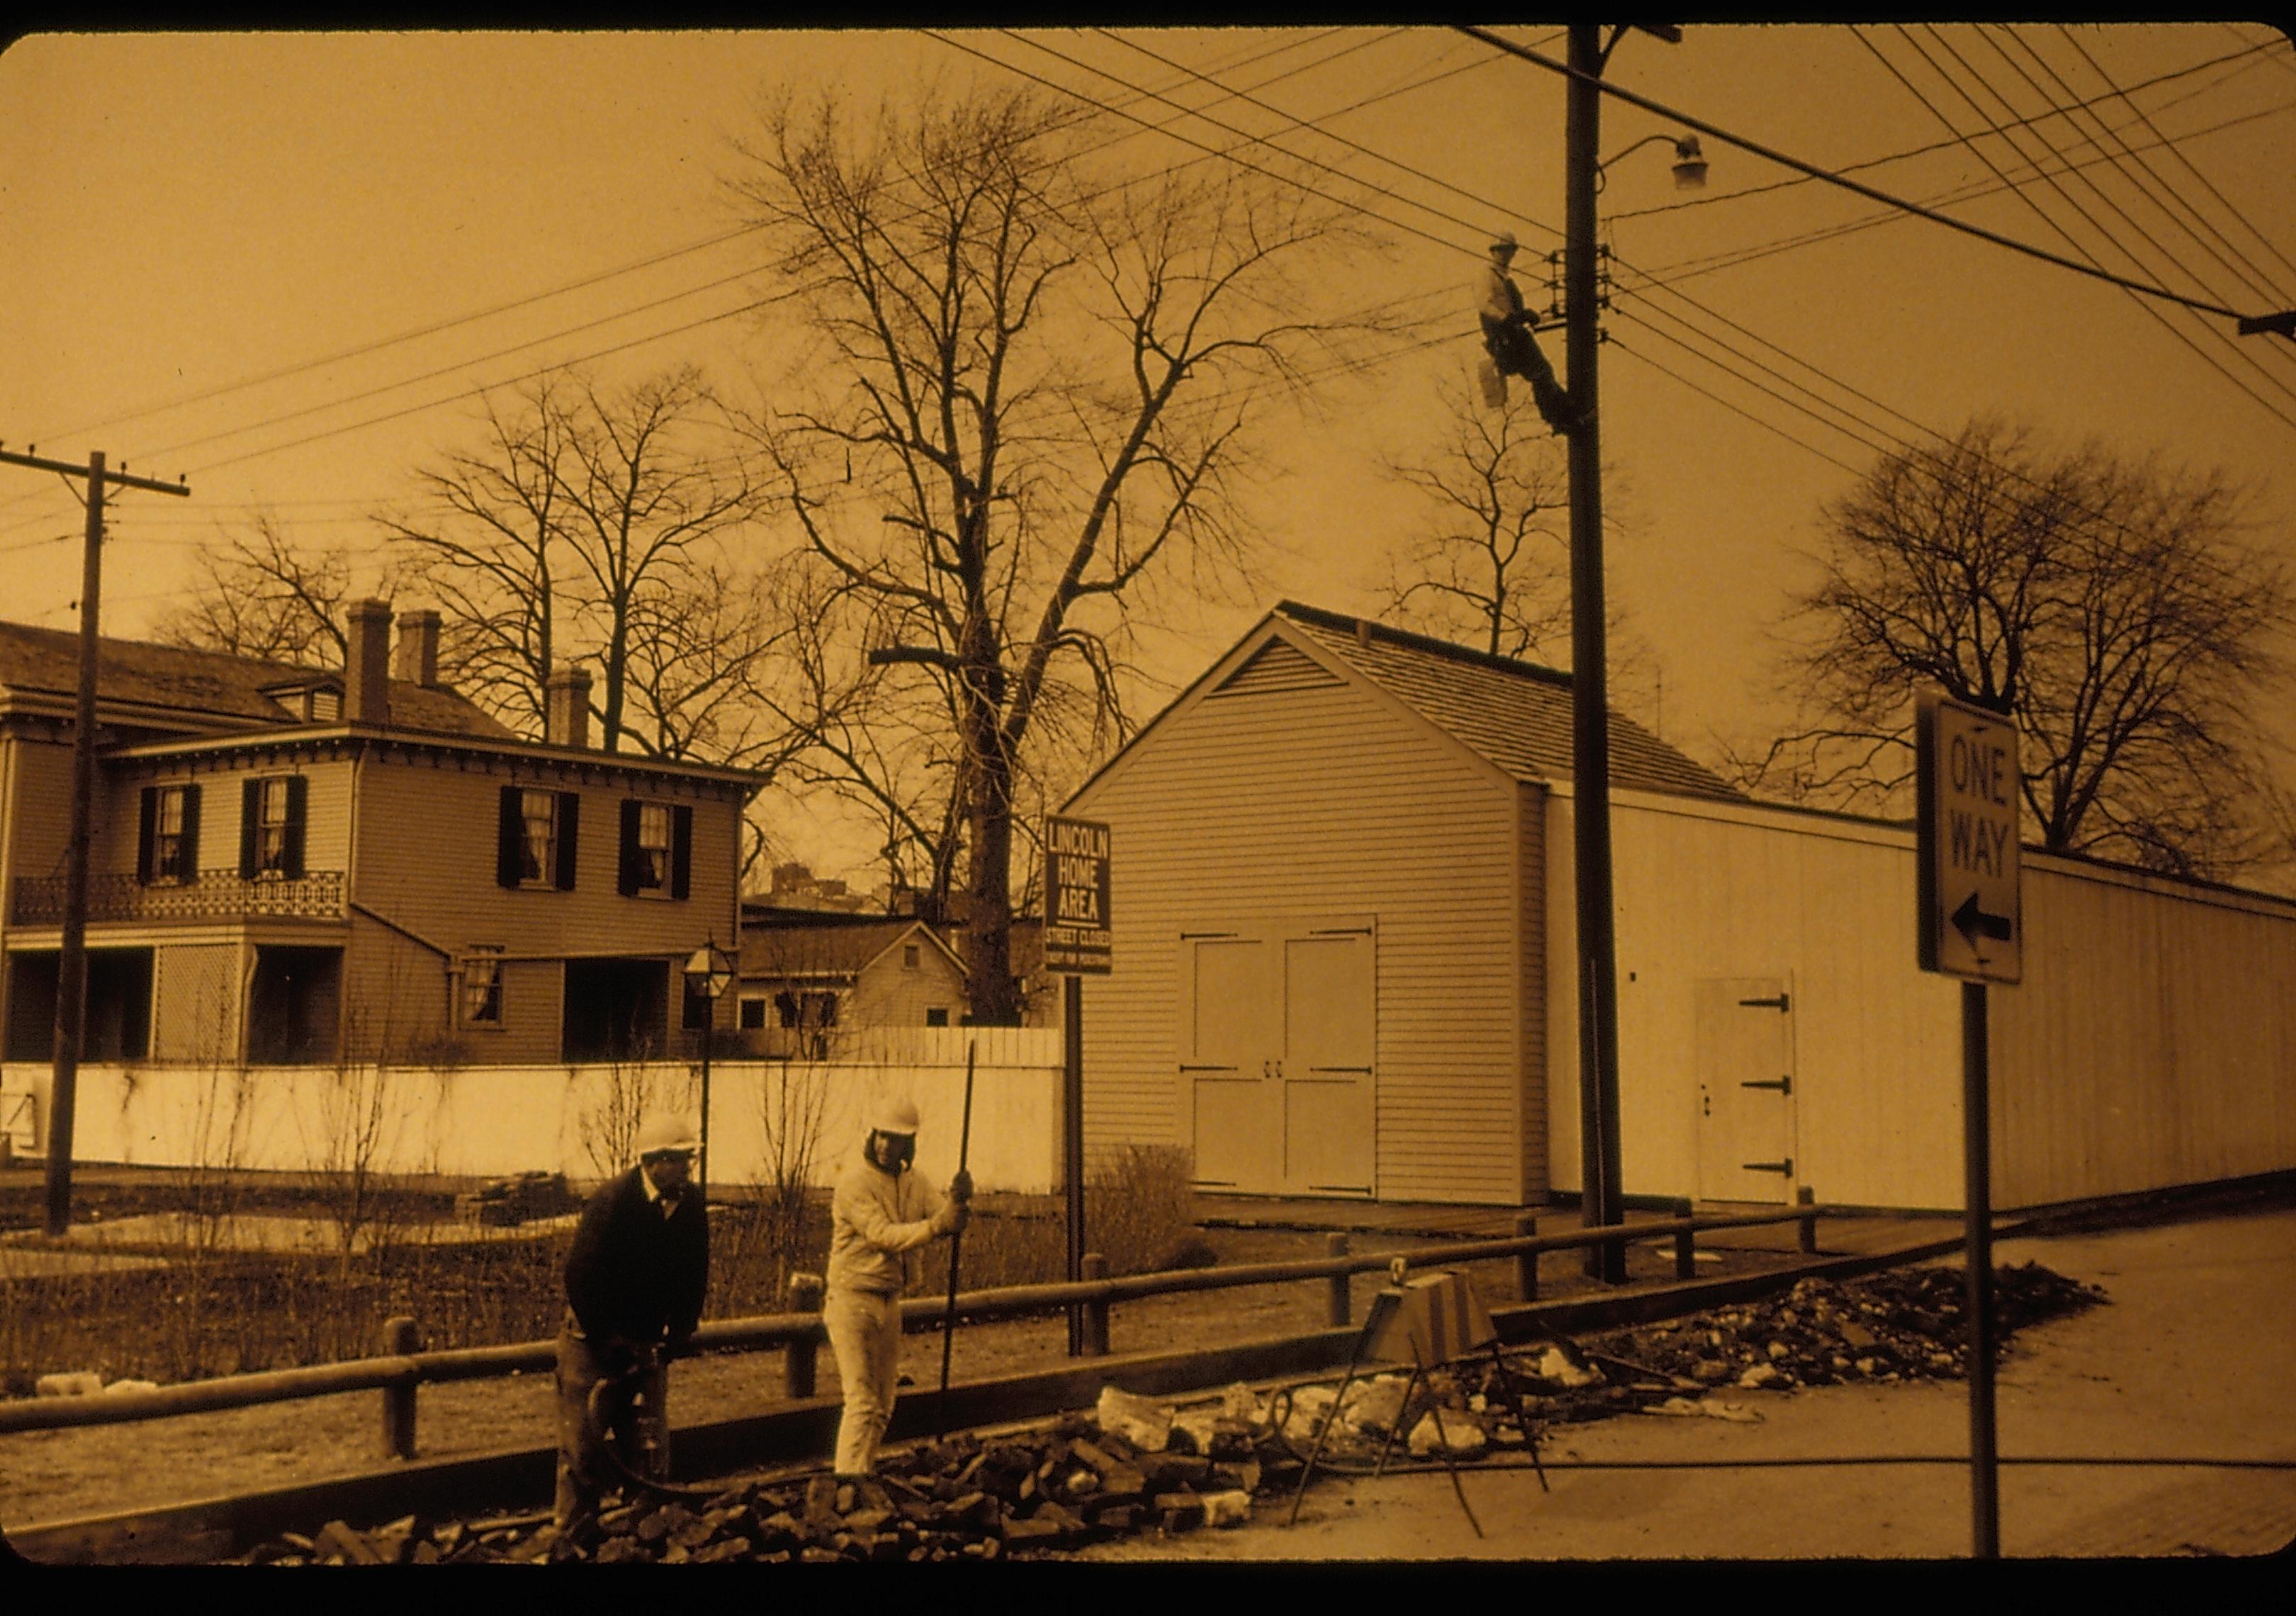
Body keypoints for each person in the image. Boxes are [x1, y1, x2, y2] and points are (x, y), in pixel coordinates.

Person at [551, 1112, 710, 1554]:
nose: (686, 1168)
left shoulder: (691, 1203)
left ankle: (646, 1535)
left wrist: (682, 1328)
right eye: (678, 1160)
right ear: (653, 1162)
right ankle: (573, 1539)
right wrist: (607, 1338)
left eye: (688, 1159)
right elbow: (580, 1274)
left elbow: (694, 1270)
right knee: (584, 1444)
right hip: (593, 1337)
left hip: (645, 1337)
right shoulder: (613, 1202)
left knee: (648, 1440)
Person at [823, 1096, 972, 1478]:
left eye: (896, 1140)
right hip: (852, 1299)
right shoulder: (854, 1183)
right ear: (872, 1137)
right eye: (882, 1137)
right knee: (861, 1401)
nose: (887, 1147)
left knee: (884, 1404)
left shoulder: (913, 1182)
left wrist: (958, 1202)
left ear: (909, 1144)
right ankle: (848, 1482)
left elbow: (942, 1216)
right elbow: (883, 1235)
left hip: (890, 1300)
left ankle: (862, 1474)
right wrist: (939, 1226)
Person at [1478, 230, 1581, 434]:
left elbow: (1513, 311)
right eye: (1504, 250)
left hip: (1514, 333)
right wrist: (1510, 318)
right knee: (1540, 373)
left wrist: (1533, 316)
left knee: (1542, 373)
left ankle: (1564, 415)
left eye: (1510, 251)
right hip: (1504, 336)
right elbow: (1485, 305)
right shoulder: (1487, 275)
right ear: (1495, 251)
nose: (1508, 255)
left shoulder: (1506, 278)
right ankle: (1564, 416)